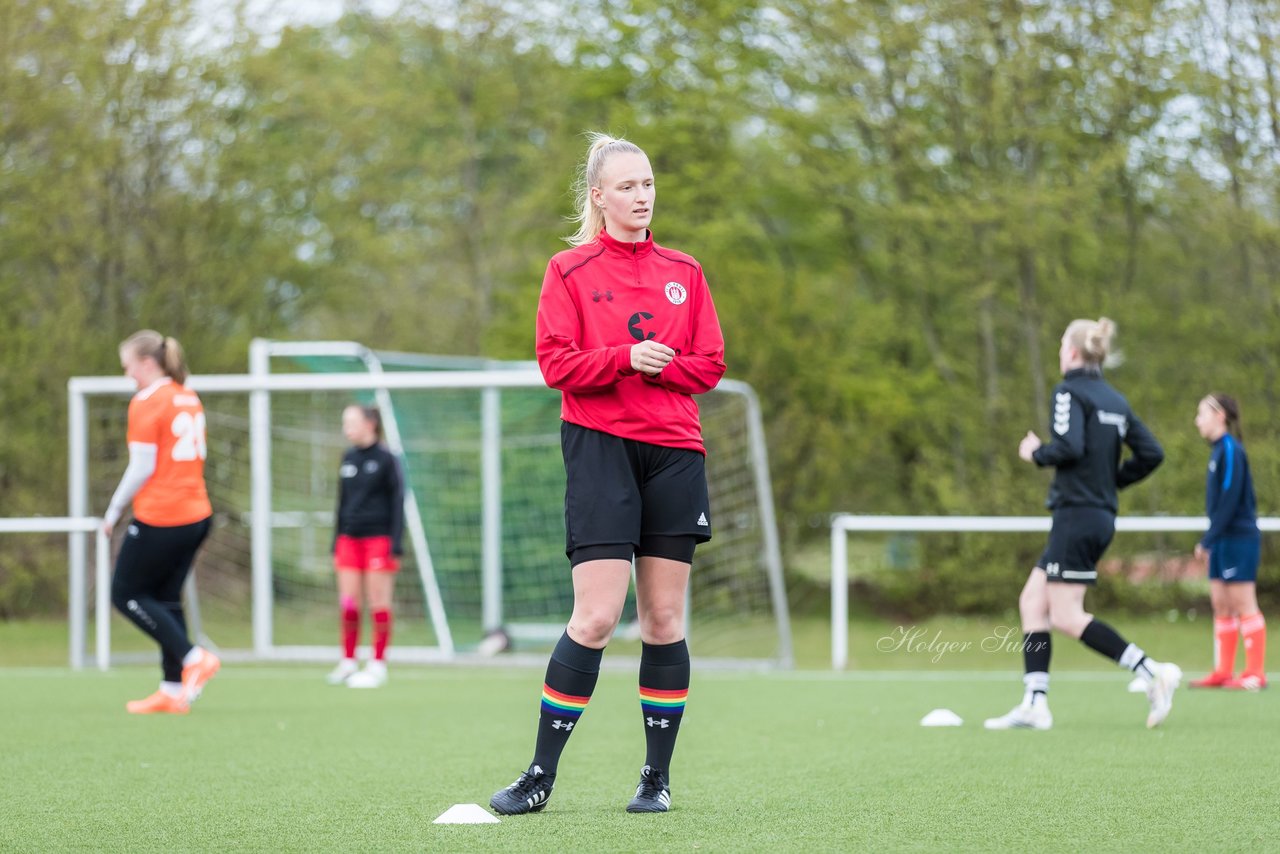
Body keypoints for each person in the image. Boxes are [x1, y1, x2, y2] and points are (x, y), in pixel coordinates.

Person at [489, 133, 725, 816]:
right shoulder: (567, 271)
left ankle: (656, 779)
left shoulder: (687, 268)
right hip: (599, 448)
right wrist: (627, 358)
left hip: (675, 451)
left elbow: (708, 364)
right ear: (598, 196)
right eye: (627, 186)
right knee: (595, 617)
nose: (642, 196)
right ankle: (539, 775)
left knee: (662, 616)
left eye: (648, 184)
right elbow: (556, 364)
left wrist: (661, 365)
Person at [984, 317, 1181, 731]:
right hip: (1095, 515)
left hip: (1076, 516)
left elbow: (1069, 446)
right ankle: (1035, 703)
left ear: (1073, 352)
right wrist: (1111, 482)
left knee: (1067, 616)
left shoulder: (1068, 391)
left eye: (1060, 346)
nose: (1059, 353)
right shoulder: (1115, 399)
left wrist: (1036, 453)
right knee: (1031, 603)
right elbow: (1152, 454)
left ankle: (1151, 672)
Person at [102, 330, 221, 714]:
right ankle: (172, 692)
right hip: (198, 515)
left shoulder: (147, 401)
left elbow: (142, 467)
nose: (128, 376)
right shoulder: (187, 395)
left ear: (148, 363)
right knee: (166, 598)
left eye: (129, 367)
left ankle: (192, 658)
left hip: (163, 516)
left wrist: (114, 510)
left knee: (125, 594)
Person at [1188, 394, 1267, 690]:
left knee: (1243, 602)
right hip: (1221, 538)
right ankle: (1223, 671)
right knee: (1220, 604)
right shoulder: (1217, 451)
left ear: (1220, 415)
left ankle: (1255, 674)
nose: (1197, 420)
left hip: (1238, 538)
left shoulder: (1232, 450)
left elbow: (1231, 499)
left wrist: (1208, 539)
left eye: (1201, 413)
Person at [326, 404, 405, 689]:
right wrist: (335, 541)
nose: (347, 428)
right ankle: (348, 661)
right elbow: (341, 503)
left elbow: (398, 502)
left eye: (352, 422)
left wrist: (396, 543)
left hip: (379, 540)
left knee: (378, 602)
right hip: (348, 541)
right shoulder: (347, 457)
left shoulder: (387, 459)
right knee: (348, 604)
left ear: (370, 423)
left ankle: (377, 663)